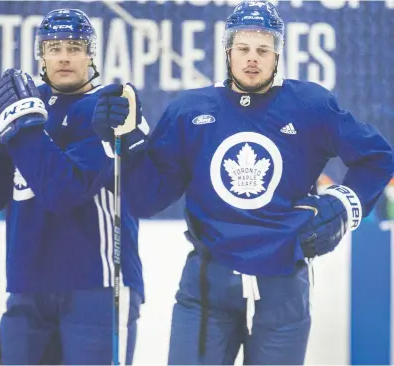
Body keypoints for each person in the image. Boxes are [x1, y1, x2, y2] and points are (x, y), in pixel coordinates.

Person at [92, 0, 394, 364]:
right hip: (206, 285)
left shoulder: (311, 105)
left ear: (277, 55)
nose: (253, 58)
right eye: (244, 49)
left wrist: (345, 204)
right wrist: (127, 148)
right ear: (228, 52)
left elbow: (378, 158)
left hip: (284, 285)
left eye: (263, 50)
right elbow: (147, 200)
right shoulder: (190, 111)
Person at [0, 9, 144, 365]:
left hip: (95, 284)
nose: (65, 56)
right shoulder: (20, 106)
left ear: (91, 54)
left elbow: (63, 191)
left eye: (75, 46)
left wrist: (21, 126)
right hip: (27, 285)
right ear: (42, 55)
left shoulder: (107, 108)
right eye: (54, 47)